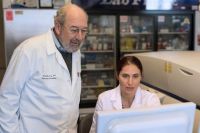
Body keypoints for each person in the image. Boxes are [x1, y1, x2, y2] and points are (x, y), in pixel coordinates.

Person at [0, 3, 88, 133]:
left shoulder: (75, 51)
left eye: (84, 31)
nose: (80, 37)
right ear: (58, 27)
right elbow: (7, 99)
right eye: (74, 30)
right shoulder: (29, 50)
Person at [89, 56, 161, 133]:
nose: (130, 82)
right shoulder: (104, 99)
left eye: (135, 76)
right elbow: (95, 131)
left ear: (141, 77)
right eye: (125, 76)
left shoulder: (151, 100)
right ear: (117, 76)